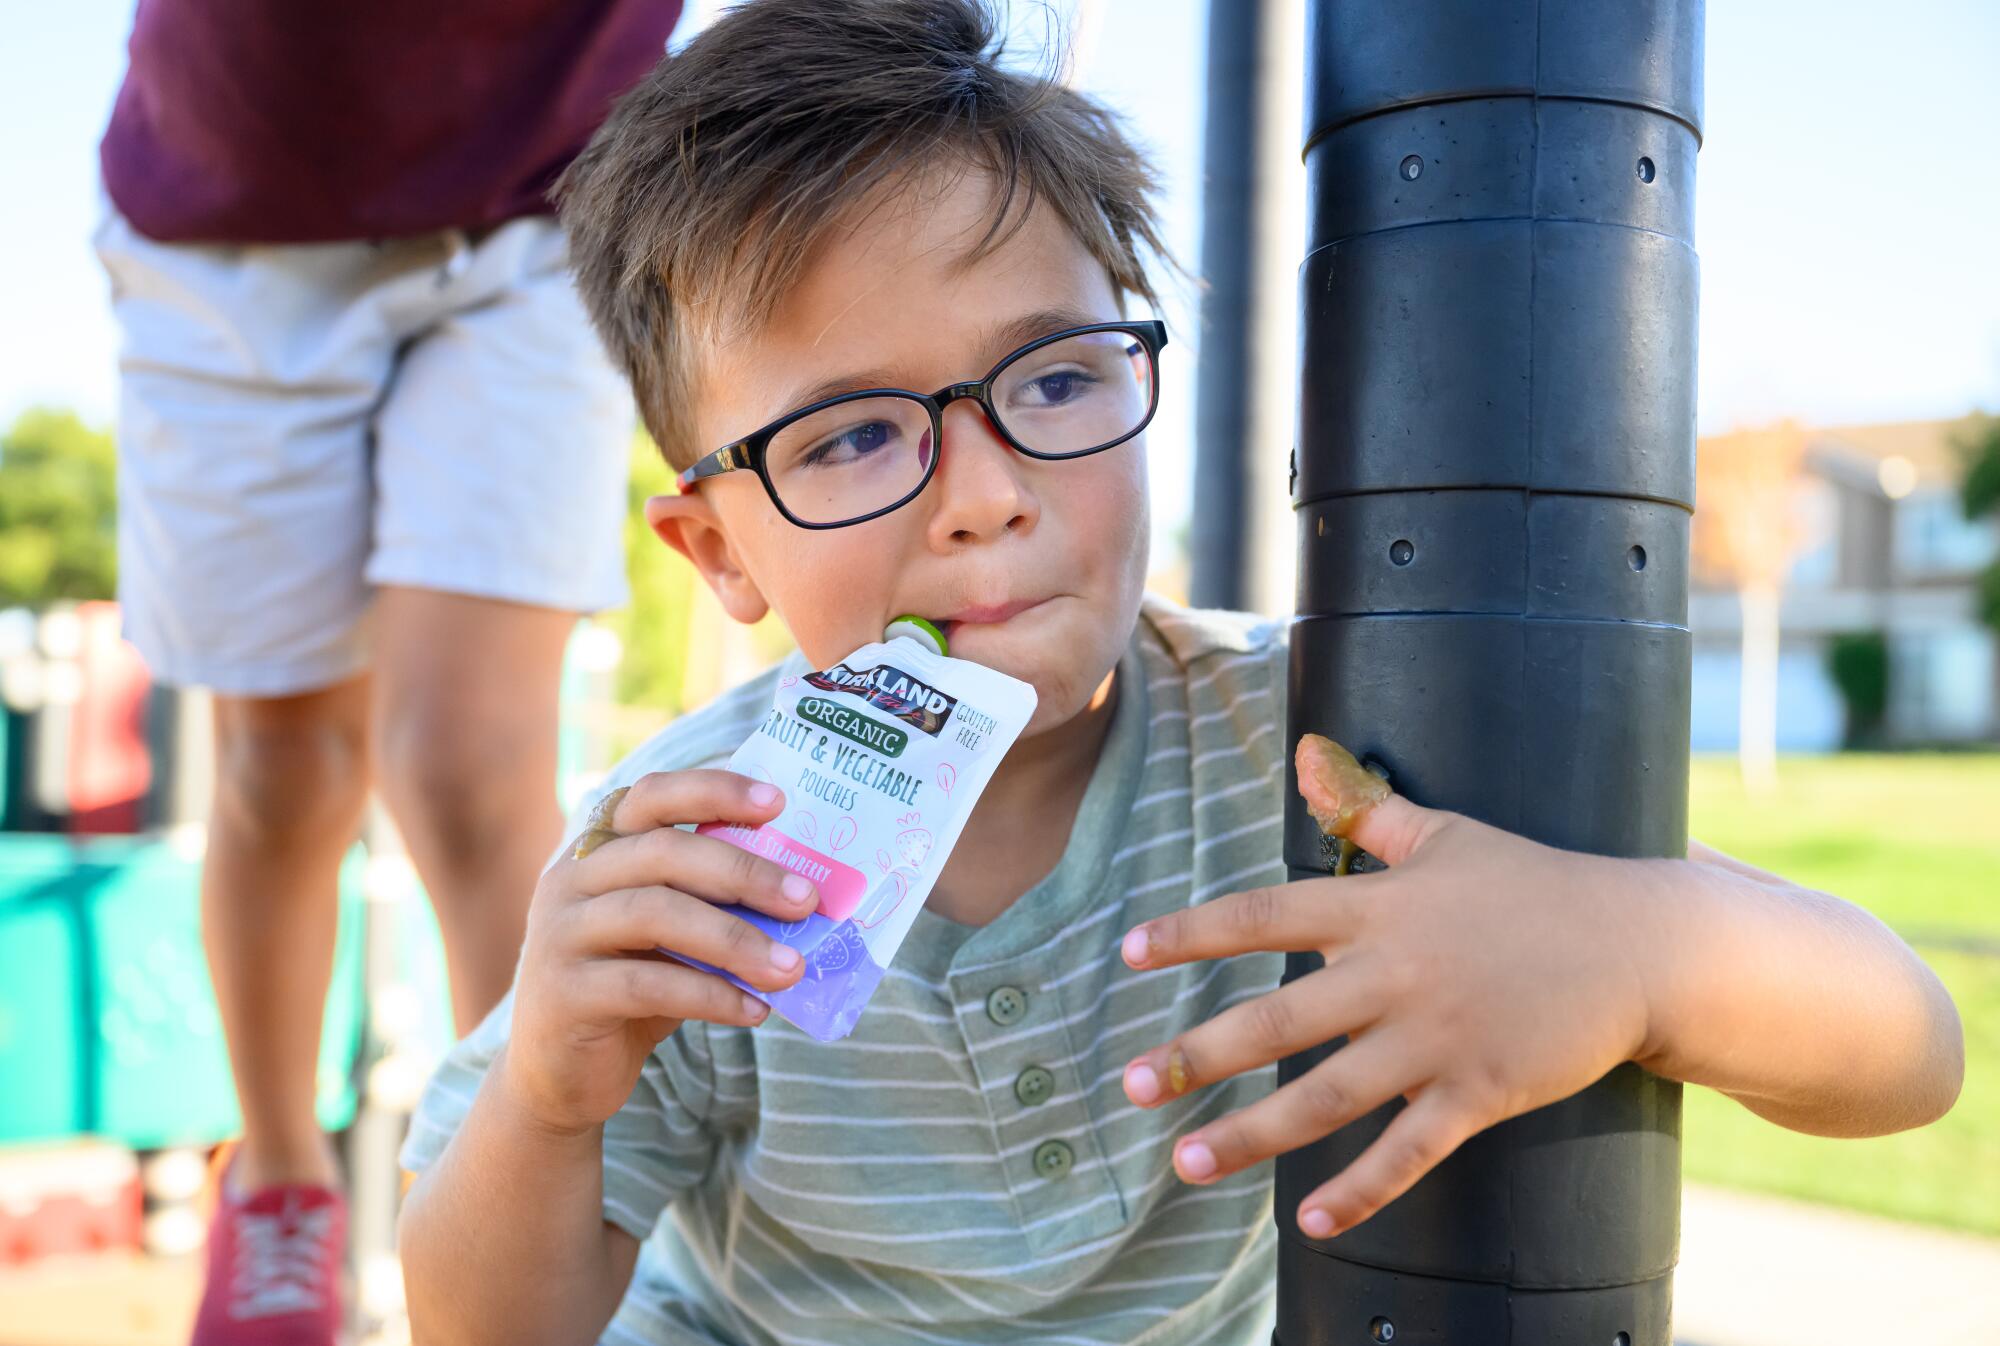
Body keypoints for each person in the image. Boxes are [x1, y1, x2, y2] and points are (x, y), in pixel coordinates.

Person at [394, 3, 1967, 1344]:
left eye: (1057, 377)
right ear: (717, 549)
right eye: (856, 432)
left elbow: (1908, 1051)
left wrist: (1629, 950)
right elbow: (491, 1321)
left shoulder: (1327, 743)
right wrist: (546, 1091)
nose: (986, 490)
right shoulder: (691, 852)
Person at [92, 2, 683, 1342]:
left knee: (468, 766)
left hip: (539, 196)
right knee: (287, 768)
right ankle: (282, 1181)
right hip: (232, 199)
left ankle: (542, 1201)